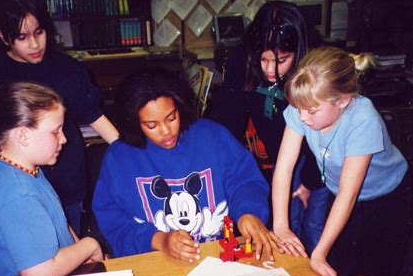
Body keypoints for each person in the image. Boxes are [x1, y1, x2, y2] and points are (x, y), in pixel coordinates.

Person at [0, 0, 118, 234]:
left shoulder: (65, 67)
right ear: (2, 35)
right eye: (22, 37)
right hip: (14, 189)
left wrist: (130, 157)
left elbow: (95, 117)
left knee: (67, 252)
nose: (34, 44)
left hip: (65, 181)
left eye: (39, 32)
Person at [92, 69, 280, 262]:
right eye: (151, 125)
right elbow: (114, 222)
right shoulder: (120, 158)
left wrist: (248, 212)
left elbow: (244, 181)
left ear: (180, 107)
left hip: (217, 256)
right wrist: (159, 240)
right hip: (153, 263)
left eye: (172, 118)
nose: (166, 131)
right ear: (134, 122)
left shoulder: (212, 137)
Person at [272, 46, 412, 276]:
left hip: (388, 199)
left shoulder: (363, 120)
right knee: (340, 268)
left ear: (343, 100)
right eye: (300, 110)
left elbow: (348, 195)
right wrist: (281, 227)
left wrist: (319, 252)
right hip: (340, 197)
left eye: (312, 112)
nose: (303, 118)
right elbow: (284, 169)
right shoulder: (304, 106)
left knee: (376, 272)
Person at [205, 0, 328, 255]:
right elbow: (226, 117)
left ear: (299, 51)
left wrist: (310, 181)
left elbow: (324, 136)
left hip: (315, 157)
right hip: (281, 157)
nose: (271, 70)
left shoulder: (314, 65)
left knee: (315, 225)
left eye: (281, 60)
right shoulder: (244, 59)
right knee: (286, 222)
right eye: (264, 60)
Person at [0, 82, 103, 276]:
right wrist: (89, 245)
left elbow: (57, 221)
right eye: (55, 131)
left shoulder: (12, 165)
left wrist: (79, 254)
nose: (64, 139)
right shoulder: (18, 193)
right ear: (23, 136)